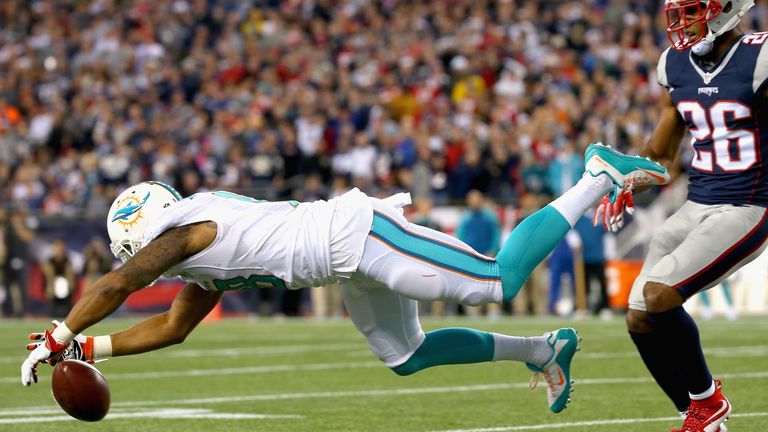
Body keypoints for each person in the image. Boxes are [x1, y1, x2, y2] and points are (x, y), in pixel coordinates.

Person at [21, 148, 670, 416]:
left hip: (361, 234)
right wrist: (86, 349)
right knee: (406, 357)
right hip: (346, 262)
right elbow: (170, 326)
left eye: (133, 251)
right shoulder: (194, 258)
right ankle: (543, 350)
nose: (136, 258)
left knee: (496, 279)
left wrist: (59, 333)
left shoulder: (187, 230)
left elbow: (116, 286)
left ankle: (595, 177)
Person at [597, 2, 766, 431]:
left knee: (660, 295)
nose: (682, 24)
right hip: (697, 203)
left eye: (692, 11)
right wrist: (628, 182)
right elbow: (661, 158)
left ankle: (708, 403)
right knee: (638, 315)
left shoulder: (760, 56)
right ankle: (700, 420)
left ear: (726, 10)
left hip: (747, 205)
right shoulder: (674, 64)